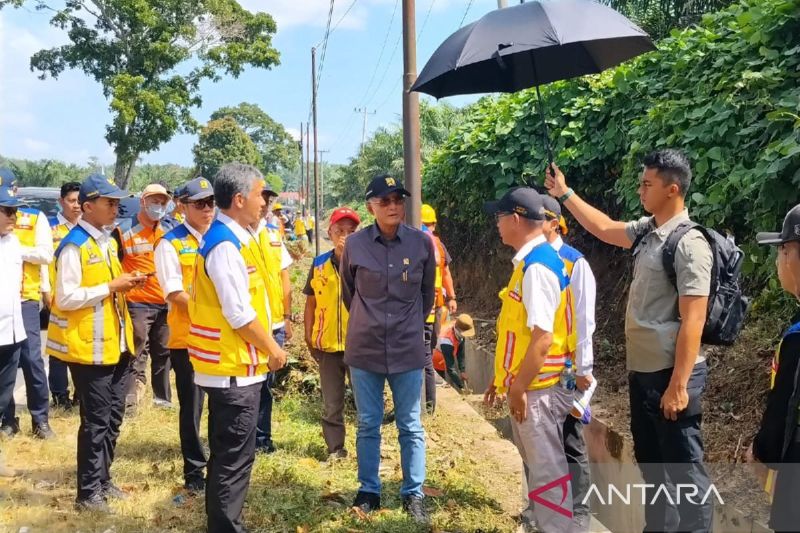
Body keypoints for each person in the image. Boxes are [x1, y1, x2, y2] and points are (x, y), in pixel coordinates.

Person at [545, 149, 713, 532]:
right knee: (654, 472)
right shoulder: (648, 231)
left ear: (672, 190)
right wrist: (564, 193)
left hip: (672, 376)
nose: (640, 190)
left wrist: (679, 386)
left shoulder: (689, 244)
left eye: (647, 184)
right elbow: (604, 228)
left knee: (685, 477)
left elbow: (694, 319)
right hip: (645, 376)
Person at [188, 163, 286, 532]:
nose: (265, 202)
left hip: (233, 368)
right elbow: (239, 315)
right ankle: (226, 526)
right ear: (241, 199)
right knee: (234, 459)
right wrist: (273, 350)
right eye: (261, 195)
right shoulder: (225, 246)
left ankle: (222, 523)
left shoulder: (234, 238)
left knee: (228, 455)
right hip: (233, 370)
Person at [341, 174, 436, 524]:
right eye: (385, 201)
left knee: (410, 424)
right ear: (371, 207)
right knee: (368, 422)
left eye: (398, 200)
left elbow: (427, 295)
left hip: (406, 348)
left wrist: (406, 326)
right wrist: (370, 322)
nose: (393, 206)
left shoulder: (421, 244)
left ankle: (414, 494)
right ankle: (369, 491)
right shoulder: (355, 245)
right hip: (365, 348)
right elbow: (349, 292)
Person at [47, 174, 144, 512]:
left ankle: (103, 480)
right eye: (109, 203)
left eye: (117, 203)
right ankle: (88, 494)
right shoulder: (74, 245)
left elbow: (108, 286)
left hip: (115, 344)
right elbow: (65, 297)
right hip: (89, 349)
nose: (116, 208)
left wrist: (124, 283)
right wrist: (111, 287)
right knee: (96, 421)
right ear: (88, 207)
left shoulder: (105, 241)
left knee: (114, 416)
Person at [483, 187, 577, 533]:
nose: (497, 224)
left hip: (537, 389)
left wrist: (519, 388)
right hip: (530, 386)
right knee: (541, 471)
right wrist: (503, 380)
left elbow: (542, 338)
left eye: (499, 217)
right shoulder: (531, 262)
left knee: (548, 474)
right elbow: (517, 334)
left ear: (516, 219)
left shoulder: (537, 268)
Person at [154, 177, 215, 493]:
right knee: (192, 407)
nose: (207, 209)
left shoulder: (219, 238)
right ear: (181, 206)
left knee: (221, 404)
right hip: (188, 338)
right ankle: (194, 472)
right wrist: (213, 312)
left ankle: (219, 465)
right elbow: (174, 292)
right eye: (200, 204)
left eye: (211, 202)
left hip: (219, 337)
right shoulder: (170, 243)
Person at [541, 195, 597, 531]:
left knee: (570, 440)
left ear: (552, 224)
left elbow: (584, 319)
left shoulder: (574, 263)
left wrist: (583, 369)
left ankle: (579, 511)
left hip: (566, 370)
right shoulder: (530, 261)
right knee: (542, 443)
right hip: (539, 368)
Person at [748, 204, 800, 532]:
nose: (779, 260)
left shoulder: (797, 338)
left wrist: (762, 452)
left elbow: (784, 407)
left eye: (782, 250)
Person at [0, 167, 55, 440]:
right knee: (5, 366)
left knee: (31, 360)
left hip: (25, 300)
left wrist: (19, 252)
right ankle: (8, 419)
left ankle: (40, 419)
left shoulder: (33, 218)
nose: (12, 214)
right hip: (5, 303)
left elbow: (46, 255)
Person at [303, 207, 361, 460]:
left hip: (359, 346)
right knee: (332, 403)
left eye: (351, 231)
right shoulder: (318, 265)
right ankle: (336, 449)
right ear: (330, 233)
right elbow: (311, 303)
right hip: (327, 346)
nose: (345, 236)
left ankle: (367, 450)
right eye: (340, 230)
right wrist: (308, 335)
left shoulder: (363, 263)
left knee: (365, 402)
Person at [121, 184, 172, 410]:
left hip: (165, 301)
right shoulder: (124, 230)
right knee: (136, 351)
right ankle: (130, 400)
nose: (158, 207)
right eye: (154, 202)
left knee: (164, 352)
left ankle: (162, 400)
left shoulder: (169, 229)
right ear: (143, 202)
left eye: (162, 203)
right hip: (137, 302)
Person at [253, 183, 294, 455]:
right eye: (262, 199)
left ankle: (262, 438)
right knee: (245, 385)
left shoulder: (273, 235)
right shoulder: (235, 236)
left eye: (268, 201)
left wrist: (287, 318)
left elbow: (284, 278)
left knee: (266, 384)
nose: (265, 205)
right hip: (248, 325)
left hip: (275, 323)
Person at [0, 185, 28, 477]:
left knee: (2, 397)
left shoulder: (14, 242)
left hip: (12, 333)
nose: (13, 217)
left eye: (15, 211)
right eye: (7, 211)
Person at [47, 181, 82, 408]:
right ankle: (60, 397)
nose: (76, 205)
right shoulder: (50, 228)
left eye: (79, 201)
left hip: (82, 298)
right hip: (56, 298)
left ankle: (81, 394)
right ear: (61, 202)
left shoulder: (87, 229)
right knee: (59, 349)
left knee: (80, 346)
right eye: (71, 201)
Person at [420, 203, 458, 413]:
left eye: (428, 225)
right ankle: (427, 405)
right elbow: (446, 274)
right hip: (433, 306)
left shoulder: (423, 244)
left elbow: (445, 273)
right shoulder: (437, 245)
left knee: (426, 352)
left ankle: (427, 405)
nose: (428, 228)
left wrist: (451, 296)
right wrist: (451, 296)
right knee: (427, 352)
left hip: (430, 306)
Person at [432, 314, 475, 392]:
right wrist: (461, 386)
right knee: (440, 381)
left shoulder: (460, 325)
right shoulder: (446, 341)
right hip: (437, 359)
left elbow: (460, 353)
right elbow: (450, 369)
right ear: (458, 330)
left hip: (446, 350)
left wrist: (462, 370)